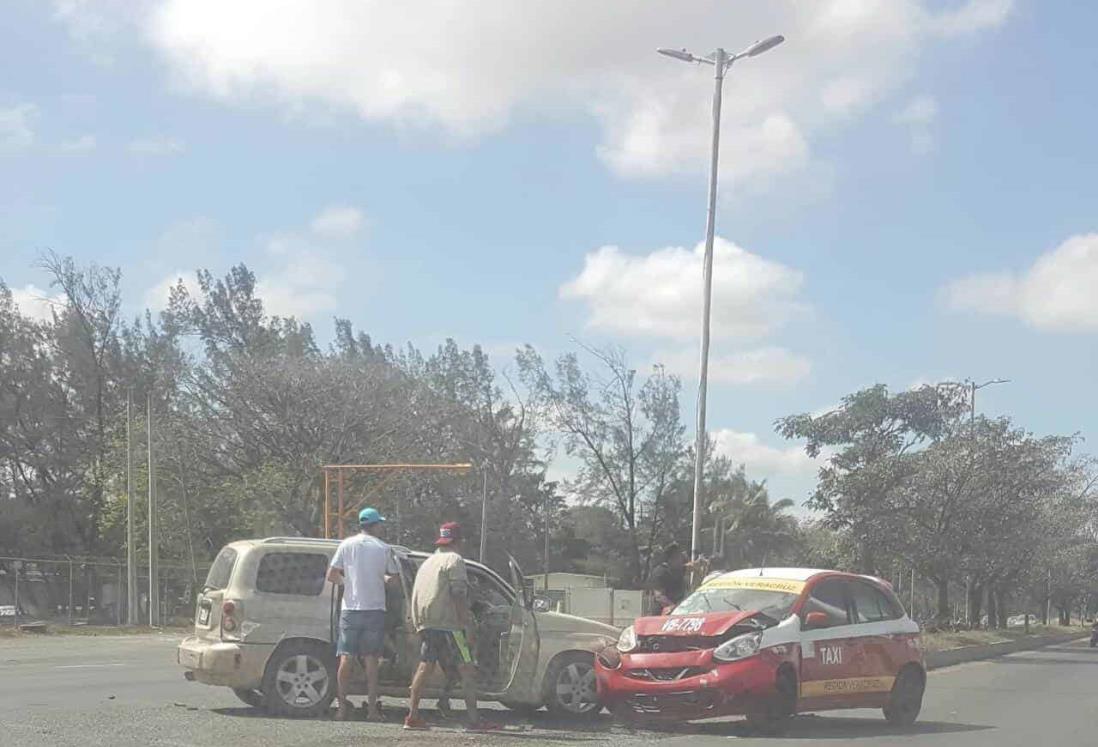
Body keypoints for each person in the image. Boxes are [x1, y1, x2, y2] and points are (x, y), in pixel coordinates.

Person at [403, 522, 499, 732]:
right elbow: (458, 594)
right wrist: (467, 624)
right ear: (459, 541)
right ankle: (474, 721)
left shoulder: (428, 562)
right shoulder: (455, 560)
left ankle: (412, 716)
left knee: (425, 666)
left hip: (427, 623)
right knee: (467, 668)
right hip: (450, 625)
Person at [326, 507, 400, 722]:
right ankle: (372, 711)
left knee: (346, 658)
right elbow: (394, 580)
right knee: (371, 660)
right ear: (375, 525)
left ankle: (341, 709)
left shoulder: (346, 544)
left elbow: (331, 575)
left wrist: (348, 583)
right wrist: (382, 580)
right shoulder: (384, 548)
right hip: (375, 609)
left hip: (350, 609)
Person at [649, 542, 701, 614]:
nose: (682, 558)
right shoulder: (660, 572)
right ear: (671, 558)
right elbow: (659, 596)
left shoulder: (678, 569)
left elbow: (690, 566)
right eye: (679, 556)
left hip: (680, 612)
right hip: (663, 614)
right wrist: (675, 608)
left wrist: (698, 563)